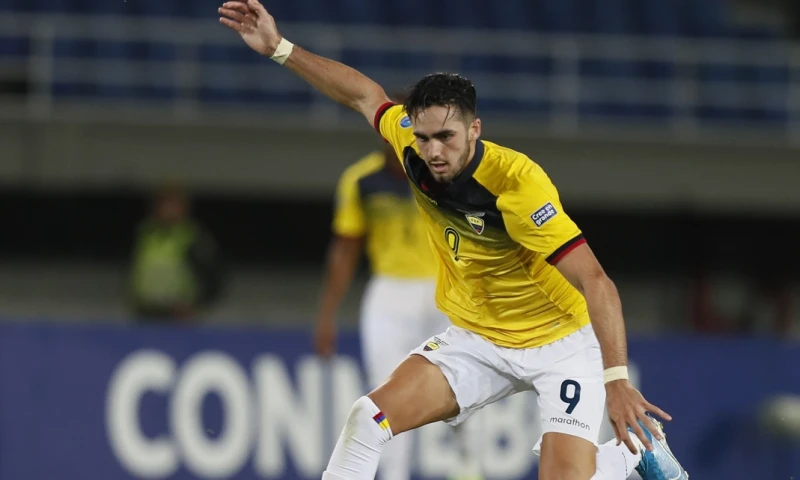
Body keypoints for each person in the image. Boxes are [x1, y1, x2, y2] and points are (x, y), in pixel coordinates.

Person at [218, 3, 690, 479]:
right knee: (368, 418)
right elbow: (362, 94)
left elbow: (596, 281)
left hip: (561, 343)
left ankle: (633, 451)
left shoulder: (517, 187)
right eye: (424, 138)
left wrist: (617, 381)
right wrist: (279, 48)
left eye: (446, 136)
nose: (434, 151)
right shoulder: (411, 144)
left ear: (474, 129)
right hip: (478, 337)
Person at [314, 119, 483, 480]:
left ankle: (467, 463)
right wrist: (327, 314)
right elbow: (345, 249)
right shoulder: (361, 180)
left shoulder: (444, 175)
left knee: (461, 385)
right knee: (385, 398)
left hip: (446, 292)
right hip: (389, 294)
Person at [129, 182, 224, 323]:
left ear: (184, 208)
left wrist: (197, 304)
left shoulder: (193, 236)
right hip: (145, 313)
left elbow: (214, 277)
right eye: (163, 204)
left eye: (173, 205)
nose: (168, 209)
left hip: (179, 316)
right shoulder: (145, 233)